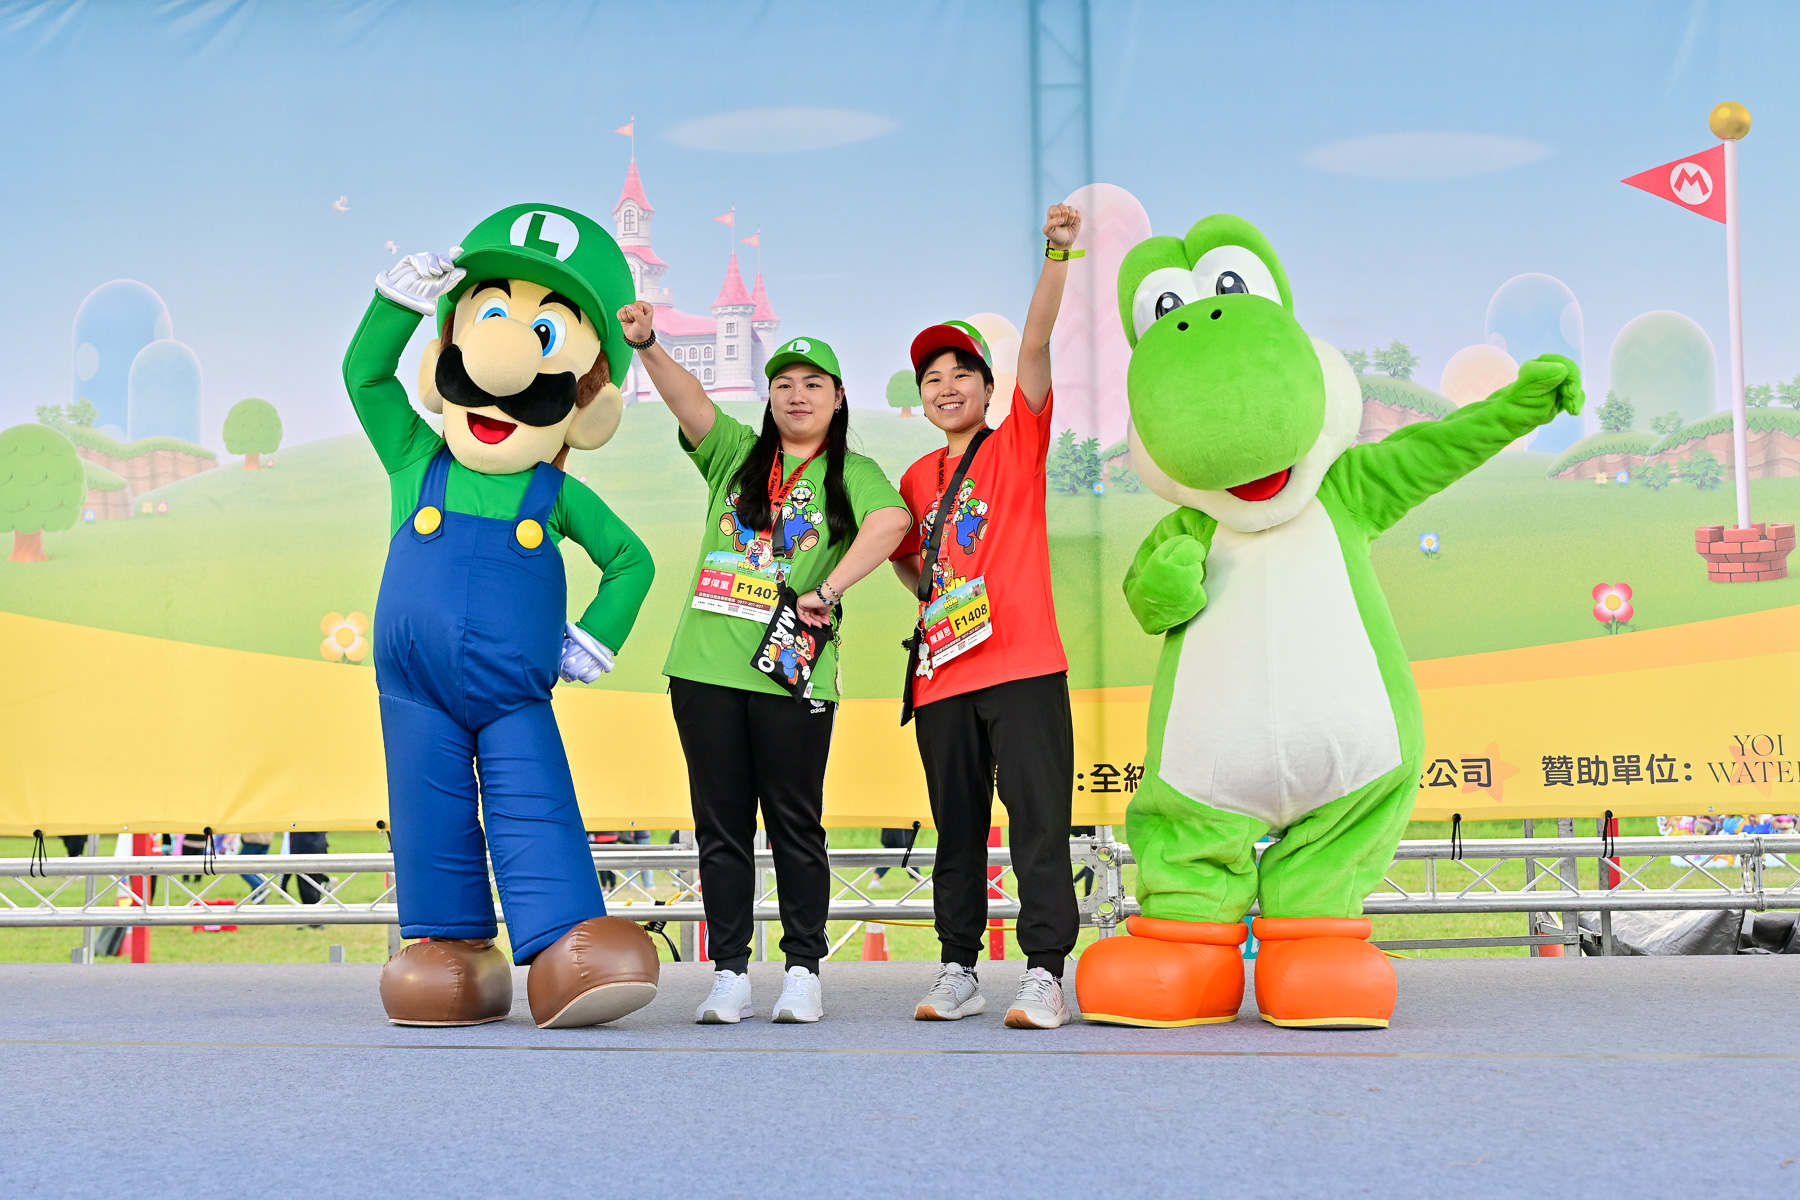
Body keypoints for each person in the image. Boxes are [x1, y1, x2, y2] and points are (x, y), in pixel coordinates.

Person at [618, 301, 910, 1026]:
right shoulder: (739, 455)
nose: (797, 395)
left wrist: (828, 589)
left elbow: (892, 521)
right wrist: (647, 344)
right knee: (719, 828)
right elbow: (690, 401)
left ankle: (804, 971)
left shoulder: (852, 472)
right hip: (705, 668)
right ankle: (729, 974)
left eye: (814, 384)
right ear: (769, 396)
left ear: (837, 398)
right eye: (784, 384)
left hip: (792, 673)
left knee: (795, 825)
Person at [890, 204, 1085, 1029]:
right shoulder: (914, 479)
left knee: (1038, 824)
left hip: (1025, 664)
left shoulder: (1016, 444)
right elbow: (913, 565)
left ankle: (1043, 974)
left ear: (987, 385)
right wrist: (927, 592)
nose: (946, 387)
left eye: (960, 373)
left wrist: (1056, 255)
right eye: (932, 379)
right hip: (943, 679)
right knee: (957, 831)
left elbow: (1035, 343)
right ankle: (959, 969)